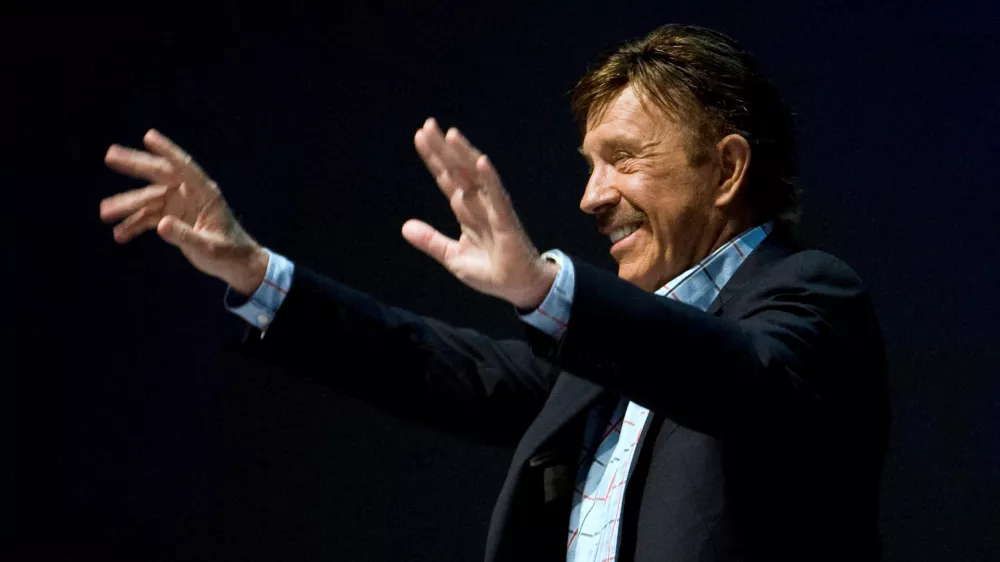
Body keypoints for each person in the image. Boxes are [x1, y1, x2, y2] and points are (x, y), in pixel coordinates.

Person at [99, 24, 889, 562]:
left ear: (727, 168)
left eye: (623, 158)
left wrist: (548, 290)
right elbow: (435, 365)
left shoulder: (810, 300)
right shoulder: (604, 363)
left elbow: (731, 376)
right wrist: (255, 271)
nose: (590, 196)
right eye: (588, 164)